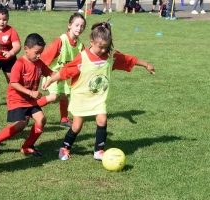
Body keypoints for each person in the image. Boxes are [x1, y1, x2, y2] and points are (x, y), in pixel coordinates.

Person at [41, 21, 155, 161]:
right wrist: (50, 80)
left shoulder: (110, 57)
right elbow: (65, 71)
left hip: (98, 98)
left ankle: (98, 151)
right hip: (81, 97)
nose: (103, 50)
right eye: (100, 47)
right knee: (76, 126)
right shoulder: (82, 58)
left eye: (106, 47)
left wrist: (146, 65)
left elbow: (128, 59)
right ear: (91, 42)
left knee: (102, 119)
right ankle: (65, 147)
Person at [0, 33, 53, 157]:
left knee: (41, 119)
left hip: (30, 100)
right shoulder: (19, 64)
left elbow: (50, 72)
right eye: (36, 52)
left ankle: (27, 146)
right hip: (17, 99)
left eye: (41, 52)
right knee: (21, 124)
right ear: (26, 49)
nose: (39, 55)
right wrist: (30, 92)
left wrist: (64, 74)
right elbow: (13, 83)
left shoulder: (39, 63)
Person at [38, 13, 86, 128]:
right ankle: (29, 110)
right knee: (53, 96)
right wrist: (41, 74)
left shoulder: (80, 44)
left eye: (82, 26)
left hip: (66, 76)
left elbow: (85, 59)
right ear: (69, 25)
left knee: (64, 96)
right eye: (77, 25)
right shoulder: (61, 41)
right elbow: (44, 59)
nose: (79, 28)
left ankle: (64, 119)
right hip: (53, 74)